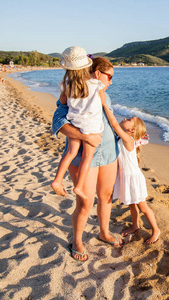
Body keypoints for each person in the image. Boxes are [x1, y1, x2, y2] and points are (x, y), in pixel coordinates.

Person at [52, 56, 121, 261]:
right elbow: (59, 121)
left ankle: (104, 232)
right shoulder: (73, 91)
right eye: (109, 76)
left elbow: (110, 121)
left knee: (106, 195)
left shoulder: (104, 95)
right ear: (97, 73)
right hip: (83, 154)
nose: (111, 81)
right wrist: (85, 137)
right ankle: (78, 241)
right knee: (85, 202)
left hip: (109, 152)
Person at [101, 99, 161, 244]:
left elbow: (114, 124)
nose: (125, 118)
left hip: (133, 178)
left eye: (129, 119)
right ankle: (135, 225)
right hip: (126, 177)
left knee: (142, 206)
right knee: (132, 204)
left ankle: (156, 230)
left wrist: (104, 104)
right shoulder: (126, 139)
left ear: (132, 130)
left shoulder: (128, 140)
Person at [51, 46, 104, 202]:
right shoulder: (95, 83)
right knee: (87, 157)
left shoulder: (66, 85)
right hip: (92, 125)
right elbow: (101, 101)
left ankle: (57, 179)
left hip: (75, 121)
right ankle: (79, 185)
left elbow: (62, 102)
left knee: (70, 152)